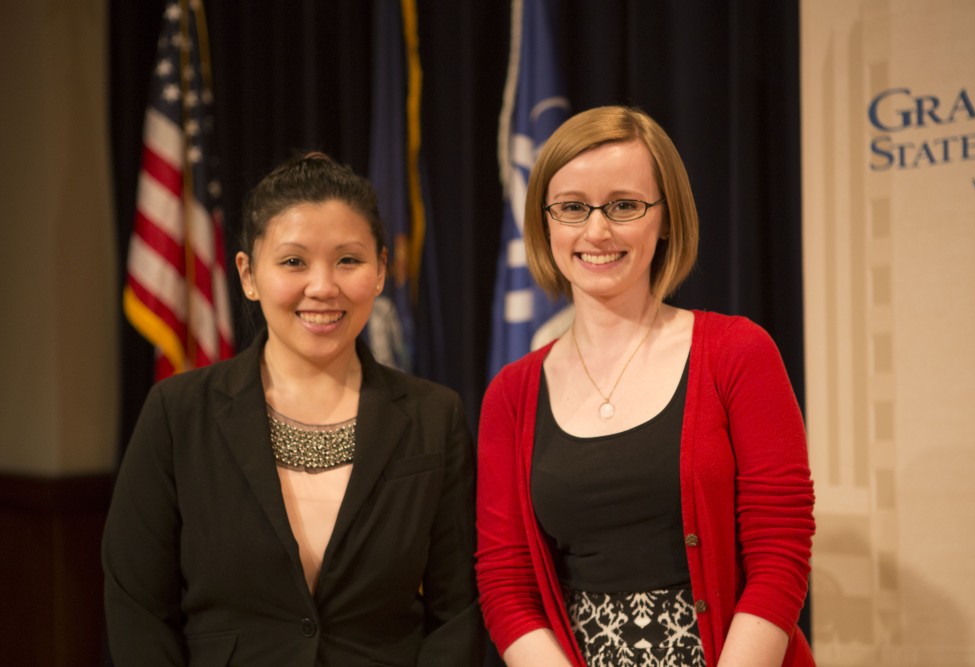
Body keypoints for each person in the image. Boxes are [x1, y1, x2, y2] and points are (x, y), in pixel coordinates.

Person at [103, 152, 482, 666]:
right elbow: (138, 610)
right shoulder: (178, 412)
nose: (323, 286)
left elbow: (458, 612)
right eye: (293, 261)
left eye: (348, 260)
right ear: (248, 274)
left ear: (380, 271)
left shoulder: (434, 416)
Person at [476, 106, 815, 667]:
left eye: (625, 205)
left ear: (666, 218)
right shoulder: (511, 395)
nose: (597, 230)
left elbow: (780, 550)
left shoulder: (737, 352)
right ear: (545, 223)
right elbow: (506, 584)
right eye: (572, 207)